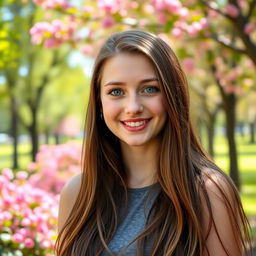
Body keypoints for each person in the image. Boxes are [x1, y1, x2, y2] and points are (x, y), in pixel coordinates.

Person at [55, 30, 252, 256]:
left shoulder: (207, 193)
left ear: (172, 95)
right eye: (116, 91)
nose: (133, 107)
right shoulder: (77, 194)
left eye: (149, 89)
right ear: (99, 104)